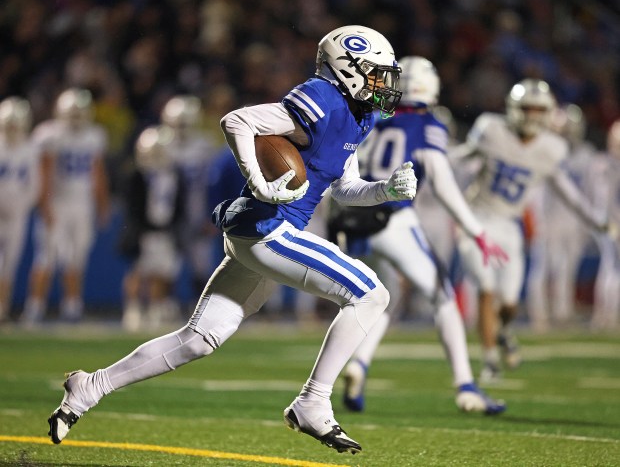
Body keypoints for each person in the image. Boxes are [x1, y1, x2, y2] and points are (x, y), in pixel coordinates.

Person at [47, 25, 416, 454]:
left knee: (200, 337)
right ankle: (313, 401)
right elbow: (237, 120)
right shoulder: (322, 98)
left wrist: (384, 190)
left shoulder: (359, 114)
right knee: (371, 294)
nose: (383, 84)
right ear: (347, 69)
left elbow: (344, 188)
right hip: (266, 228)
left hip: (265, 232)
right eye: (374, 73)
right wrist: (259, 181)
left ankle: (89, 386)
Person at [330, 56, 508, 415]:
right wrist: (476, 230)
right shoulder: (427, 123)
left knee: (381, 298)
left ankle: (358, 365)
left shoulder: (372, 118)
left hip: (352, 217)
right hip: (393, 216)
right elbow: (442, 183)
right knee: (443, 296)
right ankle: (466, 387)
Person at [450, 79, 610, 383]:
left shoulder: (552, 148)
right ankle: (490, 360)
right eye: (528, 108)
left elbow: (566, 191)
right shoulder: (491, 129)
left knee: (509, 302)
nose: (534, 115)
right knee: (486, 287)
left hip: (509, 225)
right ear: (514, 109)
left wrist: (594, 219)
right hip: (476, 219)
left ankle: (505, 330)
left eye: (540, 109)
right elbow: (462, 156)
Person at [20, 88, 111, 325]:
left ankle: (72, 306)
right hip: (58, 202)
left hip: (82, 204)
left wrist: (102, 203)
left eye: (80, 112)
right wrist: (45, 205)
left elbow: (97, 173)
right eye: (73, 112)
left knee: (76, 258)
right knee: (46, 256)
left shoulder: (94, 135)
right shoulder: (49, 134)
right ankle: (34, 307)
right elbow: (44, 174)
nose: (76, 117)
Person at [525, 104, 602, 332]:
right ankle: (538, 314)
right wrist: (535, 218)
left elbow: (588, 190)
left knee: (566, 268)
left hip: (572, 219)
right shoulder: (546, 149)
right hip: (549, 217)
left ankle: (562, 312)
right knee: (542, 266)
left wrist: (587, 221)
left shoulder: (586, 154)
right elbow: (535, 189)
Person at [119, 125, 186, 332]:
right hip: (145, 230)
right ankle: (133, 309)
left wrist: (174, 226)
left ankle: (156, 309)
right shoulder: (137, 176)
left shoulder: (175, 175)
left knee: (162, 272)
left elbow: (179, 203)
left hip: (165, 230)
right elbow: (132, 206)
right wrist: (137, 229)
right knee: (140, 270)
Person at [161, 96, 221, 301]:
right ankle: (166, 304)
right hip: (169, 210)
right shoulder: (160, 143)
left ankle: (200, 307)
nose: (181, 129)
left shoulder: (205, 145)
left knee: (201, 262)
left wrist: (211, 213)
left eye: (185, 124)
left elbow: (212, 183)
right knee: (168, 262)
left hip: (197, 209)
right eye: (177, 124)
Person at [0, 97, 40, 323]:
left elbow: (34, 186)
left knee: (9, 264)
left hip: (16, 216)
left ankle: (2, 307)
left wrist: (19, 207)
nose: (13, 129)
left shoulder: (30, 149)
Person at [591, 119, 620, 330]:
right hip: (611, 223)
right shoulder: (605, 165)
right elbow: (604, 200)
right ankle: (606, 315)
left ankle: (606, 315)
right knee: (612, 268)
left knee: (610, 268)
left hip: (608, 221)